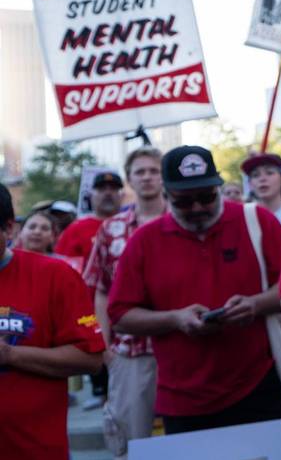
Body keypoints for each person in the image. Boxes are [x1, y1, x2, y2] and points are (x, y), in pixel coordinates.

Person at [109, 146, 281, 434]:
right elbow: (120, 315)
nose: (197, 208)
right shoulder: (144, 241)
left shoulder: (257, 221)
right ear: (166, 196)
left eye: (206, 197)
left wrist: (255, 304)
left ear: (218, 189)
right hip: (182, 400)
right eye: (184, 201)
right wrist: (175, 319)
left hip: (259, 386)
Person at [0, 184, 106, 460]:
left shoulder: (56, 276)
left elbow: (90, 358)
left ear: (9, 229)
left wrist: (10, 354)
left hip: (33, 449)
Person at [82, 146, 166, 459]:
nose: (147, 177)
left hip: (185, 347)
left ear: (164, 177)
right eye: (140, 171)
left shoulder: (185, 219)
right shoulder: (110, 229)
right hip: (130, 351)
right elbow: (100, 291)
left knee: (189, 437)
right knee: (134, 443)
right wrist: (104, 348)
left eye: (154, 171)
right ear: (130, 179)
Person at [55, 169, 125, 265]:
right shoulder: (76, 229)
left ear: (122, 196)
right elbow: (61, 267)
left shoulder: (132, 226)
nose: (108, 193)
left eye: (113, 189)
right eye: (102, 189)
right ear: (91, 196)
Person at [243, 153, 281, 225]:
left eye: (269, 173)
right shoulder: (244, 218)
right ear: (250, 184)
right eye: (255, 175)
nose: (262, 179)